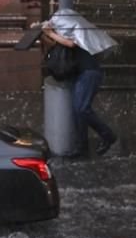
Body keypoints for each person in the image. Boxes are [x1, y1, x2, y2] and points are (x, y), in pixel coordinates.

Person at [41, 20, 117, 157]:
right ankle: (81, 146)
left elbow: (70, 43)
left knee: (82, 109)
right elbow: (54, 43)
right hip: (81, 74)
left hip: (89, 73)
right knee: (78, 111)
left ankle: (108, 136)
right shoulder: (62, 35)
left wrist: (50, 32)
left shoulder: (75, 32)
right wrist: (44, 33)